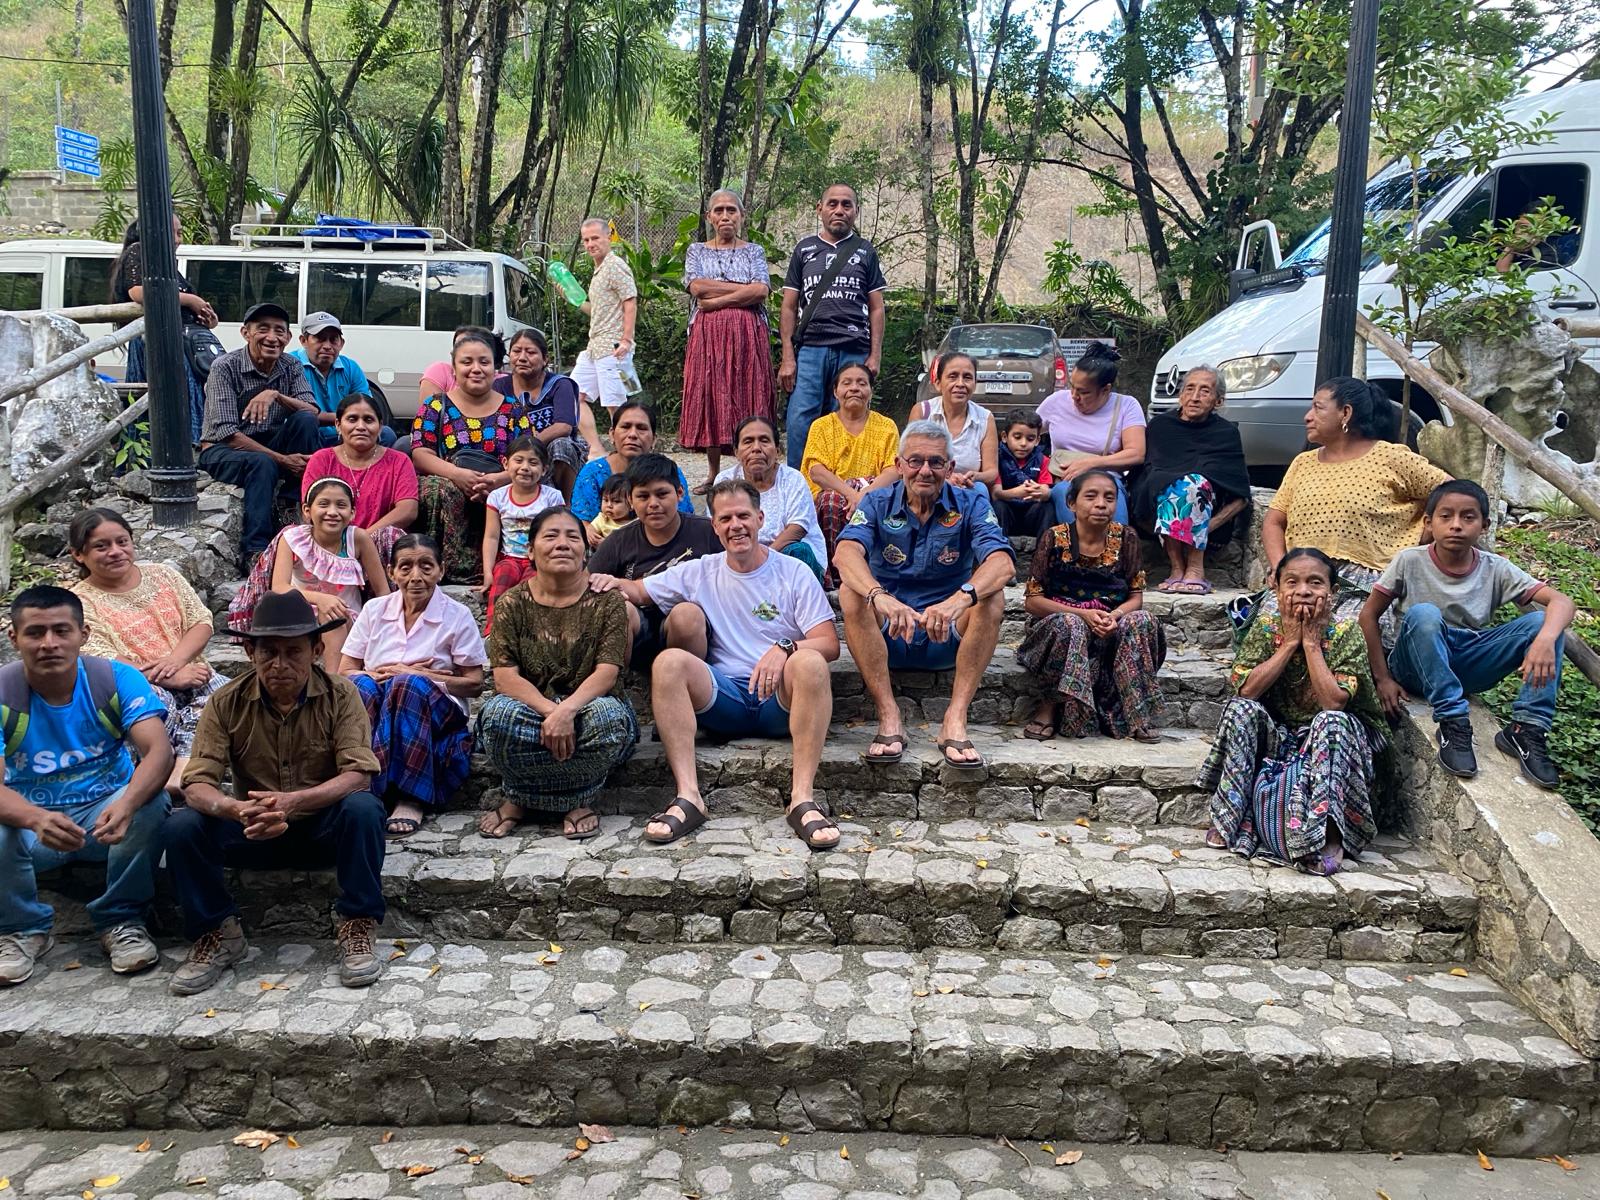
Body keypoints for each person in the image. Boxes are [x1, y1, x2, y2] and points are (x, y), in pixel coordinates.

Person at [594, 480, 840, 848]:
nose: (735, 525)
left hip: (780, 699)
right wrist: (598, 580)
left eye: (743, 516)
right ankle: (688, 796)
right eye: (725, 519)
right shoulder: (701, 570)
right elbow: (638, 590)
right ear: (714, 526)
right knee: (669, 662)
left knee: (810, 662)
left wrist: (785, 647)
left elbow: (830, 644)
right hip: (726, 698)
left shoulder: (793, 572)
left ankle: (802, 798)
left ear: (760, 519)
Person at [166, 590, 385, 995]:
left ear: (316, 650)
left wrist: (294, 802)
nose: (280, 664)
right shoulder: (225, 702)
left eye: (293, 651)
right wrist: (234, 809)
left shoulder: (341, 695)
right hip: (253, 830)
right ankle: (217, 932)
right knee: (182, 826)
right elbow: (196, 783)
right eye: (268, 652)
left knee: (364, 808)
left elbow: (358, 774)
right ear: (250, 652)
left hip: (321, 828)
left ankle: (357, 922)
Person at [0, 586, 172, 987]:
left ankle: (122, 920)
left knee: (152, 801)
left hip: (107, 819)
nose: (49, 643)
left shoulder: (114, 679)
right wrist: (35, 818)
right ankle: (21, 930)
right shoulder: (3, 693)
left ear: (84, 633)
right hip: (31, 828)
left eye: (62, 631)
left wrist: (128, 803)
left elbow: (158, 751)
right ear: (14, 637)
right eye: (35, 633)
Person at [1362, 479, 1573, 789]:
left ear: (1484, 526)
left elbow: (1562, 601)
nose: (1456, 525)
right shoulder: (1410, 560)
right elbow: (1368, 615)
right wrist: (1382, 679)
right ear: (1429, 522)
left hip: (1467, 661)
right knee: (1424, 614)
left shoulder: (1495, 567)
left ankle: (1526, 729)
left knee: (1544, 622)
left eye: (1468, 517)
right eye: (1446, 516)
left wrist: (1544, 640)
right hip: (1413, 663)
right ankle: (1453, 722)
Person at [835, 421, 1013, 769]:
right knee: (851, 593)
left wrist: (958, 600)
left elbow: (1002, 562)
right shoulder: (876, 502)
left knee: (992, 597)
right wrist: (879, 595)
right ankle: (889, 715)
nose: (925, 470)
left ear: (950, 467)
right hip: (888, 632)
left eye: (936, 462)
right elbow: (845, 553)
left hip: (946, 632)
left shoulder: (972, 502)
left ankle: (955, 718)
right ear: (899, 465)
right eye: (915, 461)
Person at [1198, 548, 1387, 876]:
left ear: (1332, 592)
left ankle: (1330, 834)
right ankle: (1231, 817)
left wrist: (1310, 643)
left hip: (1339, 741)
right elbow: (1247, 690)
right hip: (1282, 736)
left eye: (1315, 583)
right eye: (1292, 582)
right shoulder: (1266, 628)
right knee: (1241, 709)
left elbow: (1334, 702)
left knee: (1330, 721)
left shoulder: (1347, 633)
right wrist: (1288, 643)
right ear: (1276, 588)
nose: (1303, 591)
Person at [476, 508, 639, 841]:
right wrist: (553, 712)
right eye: (551, 536)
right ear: (530, 550)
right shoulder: (511, 603)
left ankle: (521, 800)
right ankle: (573, 800)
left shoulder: (607, 601)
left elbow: (607, 673)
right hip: (533, 710)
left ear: (585, 551)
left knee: (606, 719)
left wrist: (568, 711)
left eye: (572, 537)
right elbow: (505, 678)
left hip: (589, 707)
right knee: (498, 717)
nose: (562, 544)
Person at [1260, 377, 1450, 630]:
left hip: (1367, 586)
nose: (1307, 417)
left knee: (1347, 636)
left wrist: (1425, 532)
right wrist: (1280, 569)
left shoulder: (1390, 457)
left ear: (1346, 413)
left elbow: (1452, 494)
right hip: (1304, 579)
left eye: (1317, 407)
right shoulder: (1303, 463)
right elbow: (1274, 521)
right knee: (1270, 631)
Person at [69, 508, 226, 792]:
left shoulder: (163, 575)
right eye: (101, 547)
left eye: (122, 542)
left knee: (225, 695)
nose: (115, 552)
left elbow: (201, 621)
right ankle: (163, 768)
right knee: (154, 703)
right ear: (79, 554)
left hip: (189, 671)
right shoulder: (79, 602)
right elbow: (103, 657)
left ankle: (181, 769)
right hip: (133, 684)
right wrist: (168, 677)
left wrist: (176, 662)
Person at [340, 535, 487, 838]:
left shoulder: (456, 615)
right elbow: (345, 671)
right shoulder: (374, 610)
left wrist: (419, 675)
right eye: (405, 567)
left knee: (407, 685)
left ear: (441, 570)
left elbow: (474, 684)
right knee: (361, 687)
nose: (416, 576)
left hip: (434, 709)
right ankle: (365, 788)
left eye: (426, 566)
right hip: (380, 696)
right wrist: (373, 676)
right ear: (392, 572)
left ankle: (411, 796)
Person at [1017, 471, 1165, 742]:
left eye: (1109, 498)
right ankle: (1049, 707)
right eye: (1091, 496)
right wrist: (1082, 614)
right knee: (1070, 624)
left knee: (1142, 620)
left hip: (1108, 625)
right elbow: (1033, 601)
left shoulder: (1127, 538)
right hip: (1058, 627)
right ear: (1071, 503)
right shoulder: (1053, 538)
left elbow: (1136, 597)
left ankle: (1138, 714)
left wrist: (1115, 616)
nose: (1101, 504)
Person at [197, 302, 325, 566]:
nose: (272, 337)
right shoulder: (225, 366)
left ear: (288, 338)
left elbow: (312, 410)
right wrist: (283, 460)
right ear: (246, 333)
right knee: (262, 462)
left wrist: (275, 395)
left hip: (269, 441)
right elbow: (227, 434)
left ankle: (290, 503)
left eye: (279, 330)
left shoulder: (290, 365)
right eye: (263, 329)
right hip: (224, 449)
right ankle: (255, 550)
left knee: (304, 420)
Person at [410, 330, 534, 582]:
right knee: (436, 488)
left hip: (501, 483)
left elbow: (530, 456)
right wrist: (457, 475)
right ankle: (442, 566)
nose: (476, 369)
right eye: (467, 362)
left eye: (484, 362)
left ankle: (511, 561)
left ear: (495, 369)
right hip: (450, 484)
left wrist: (499, 480)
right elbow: (421, 453)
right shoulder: (436, 406)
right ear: (454, 369)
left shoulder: (513, 409)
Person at [779, 184, 888, 468]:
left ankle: (842, 482)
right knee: (800, 419)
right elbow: (789, 306)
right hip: (811, 349)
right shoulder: (804, 250)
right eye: (833, 204)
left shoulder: (865, 251)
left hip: (853, 349)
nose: (839, 210)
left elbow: (877, 307)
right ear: (820, 209)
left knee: (847, 417)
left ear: (856, 211)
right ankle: (799, 482)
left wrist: (875, 355)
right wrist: (788, 356)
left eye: (846, 205)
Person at [681, 189, 777, 485]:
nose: (725, 216)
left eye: (731, 210)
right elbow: (697, 288)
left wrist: (716, 301)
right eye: (719, 210)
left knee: (749, 396)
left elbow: (761, 290)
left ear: (742, 216)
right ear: (709, 216)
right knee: (711, 395)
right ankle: (713, 473)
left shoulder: (754, 251)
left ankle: (747, 472)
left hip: (749, 336)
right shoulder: (696, 250)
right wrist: (742, 290)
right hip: (707, 337)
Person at [588, 454, 720, 668]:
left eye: (662, 494)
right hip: (638, 631)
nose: (653, 504)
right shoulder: (619, 540)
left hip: (691, 631)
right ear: (630, 500)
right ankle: (618, 682)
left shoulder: (708, 532)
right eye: (643, 496)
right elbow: (587, 584)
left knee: (687, 614)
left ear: (679, 493)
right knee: (620, 608)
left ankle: (690, 683)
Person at [1129, 365, 1252, 594]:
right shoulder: (1160, 426)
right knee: (1169, 484)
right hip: (1160, 506)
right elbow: (1148, 474)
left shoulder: (1226, 433)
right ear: (1180, 395)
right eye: (1189, 389)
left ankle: (1195, 567)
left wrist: (1205, 526)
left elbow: (1240, 493)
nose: (1195, 397)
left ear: (1218, 401)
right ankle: (1178, 567)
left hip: (1208, 508)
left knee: (1193, 485)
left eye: (1205, 391)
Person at [109, 215, 217, 443]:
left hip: (183, 341)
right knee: (170, 398)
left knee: (187, 396)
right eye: (172, 232)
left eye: (180, 233)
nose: (178, 239)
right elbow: (137, 292)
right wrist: (191, 300)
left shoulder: (168, 265)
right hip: (159, 342)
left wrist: (207, 318)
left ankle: (190, 445)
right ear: (154, 232)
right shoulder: (139, 250)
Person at [269, 477, 390, 669]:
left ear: (352, 512)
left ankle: (335, 677)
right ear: (307, 510)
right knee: (329, 612)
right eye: (324, 504)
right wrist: (321, 599)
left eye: (341, 505)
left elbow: (383, 592)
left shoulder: (358, 539)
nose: (332, 512)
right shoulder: (292, 539)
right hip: (300, 612)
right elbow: (279, 587)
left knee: (333, 616)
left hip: (347, 617)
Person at [799, 362, 900, 575]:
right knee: (832, 501)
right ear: (836, 392)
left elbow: (893, 470)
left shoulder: (886, 426)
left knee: (885, 503)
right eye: (847, 383)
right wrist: (852, 495)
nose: (854, 388)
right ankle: (837, 573)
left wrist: (864, 495)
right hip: (835, 492)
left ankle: (878, 572)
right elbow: (816, 471)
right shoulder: (821, 426)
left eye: (861, 383)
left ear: (870, 391)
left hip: (874, 490)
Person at [1036, 345, 1144, 526]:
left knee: (1112, 514)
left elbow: (1136, 453)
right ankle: (1078, 544)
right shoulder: (1056, 401)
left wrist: (1092, 463)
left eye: (1084, 392)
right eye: (1072, 387)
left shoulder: (1126, 405)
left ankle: (1115, 544)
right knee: (1066, 494)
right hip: (1064, 480)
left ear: (1105, 390)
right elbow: (1026, 432)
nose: (1074, 396)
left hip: (1107, 480)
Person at [714, 416, 826, 580]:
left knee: (800, 551)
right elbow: (718, 526)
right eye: (748, 442)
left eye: (764, 441)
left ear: (778, 451)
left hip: (786, 553)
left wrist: (760, 561)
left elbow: (797, 528)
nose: (756, 448)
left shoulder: (792, 479)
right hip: (741, 553)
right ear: (736, 452)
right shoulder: (725, 481)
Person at [569, 402, 694, 545]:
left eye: (641, 428)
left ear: (654, 439)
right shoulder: (593, 473)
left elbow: (682, 517)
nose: (633, 434)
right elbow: (581, 522)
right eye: (625, 427)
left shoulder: (668, 472)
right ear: (612, 434)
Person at [495, 328, 599, 497]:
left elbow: (564, 426)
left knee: (561, 445)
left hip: (553, 454)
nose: (522, 358)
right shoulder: (499, 386)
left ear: (545, 359)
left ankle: (567, 503)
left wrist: (528, 446)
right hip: (512, 456)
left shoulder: (560, 384)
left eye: (530, 352)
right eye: (516, 351)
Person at [483, 436, 565, 628]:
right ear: (506, 463)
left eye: (533, 462)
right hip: (508, 558)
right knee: (503, 577)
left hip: (539, 559)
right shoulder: (497, 497)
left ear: (544, 469)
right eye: (518, 460)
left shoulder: (552, 497)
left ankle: (529, 633)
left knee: (532, 587)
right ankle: (493, 631)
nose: (525, 467)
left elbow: (557, 533)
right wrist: (487, 572)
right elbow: (492, 536)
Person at [287, 312, 396, 448]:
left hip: (343, 434)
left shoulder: (350, 367)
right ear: (303, 340)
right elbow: (300, 415)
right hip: (309, 435)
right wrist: (344, 418)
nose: (327, 346)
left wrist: (345, 421)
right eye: (320, 339)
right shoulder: (290, 364)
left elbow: (367, 409)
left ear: (341, 343)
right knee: (306, 421)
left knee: (386, 434)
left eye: (333, 339)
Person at [573, 217, 639, 416]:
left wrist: (626, 340)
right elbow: (597, 311)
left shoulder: (614, 265)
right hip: (594, 348)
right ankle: (595, 439)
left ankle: (623, 437)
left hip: (613, 348)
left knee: (615, 405)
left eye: (595, 238)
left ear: (608, 237)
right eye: (586, 240)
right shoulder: (599, 270)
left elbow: (630, 301)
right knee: (572, 396)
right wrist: (571, 298)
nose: (590, 244)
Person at [910, 352, 999, 489]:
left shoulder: (985, 418)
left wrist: (974, 476)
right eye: (953, 376)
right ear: (938, 383)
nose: (960, 384)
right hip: (929, 486)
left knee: (980, 489)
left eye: (967, 377)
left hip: (966, 488)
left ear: (975, 384)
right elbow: (912, 461)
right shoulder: (922, 412)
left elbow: (991, 472)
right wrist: (945, 479)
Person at [990, 408, 1053, 538]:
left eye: (1030, 439)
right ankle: (999, 546)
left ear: (1037, 440)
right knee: (998, 507)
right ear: (1004, 437)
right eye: (1017, 437)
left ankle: (1044, 547)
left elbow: (1045, 491)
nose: (1023, 443)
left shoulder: (1043, 460)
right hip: (1008, 513)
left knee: (1047, 508)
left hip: (1031, 513)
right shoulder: (997, 459)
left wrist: (1043, 492)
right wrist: (1017, 492)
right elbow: (996, 494)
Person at [418, 325, 507, 407]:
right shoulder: (439, 371)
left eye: (484, 362)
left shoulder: (503, 382)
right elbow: (429, 412)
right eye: (457, 345)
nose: (476, 369)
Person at [592, 473, 636, 540]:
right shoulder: (603, 519)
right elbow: (590, 529)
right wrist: (592, 535)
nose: (609, 505)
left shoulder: (636, 523)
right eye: (606, 500)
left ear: (631, 504)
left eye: (616, 501)